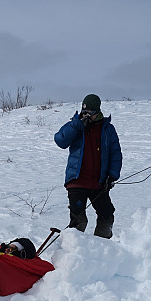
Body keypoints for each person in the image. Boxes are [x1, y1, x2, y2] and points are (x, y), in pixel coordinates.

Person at [54, 94, 123, 239]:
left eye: (90, 113)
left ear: (98, 112)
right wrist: (77, 125)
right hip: (76, 181)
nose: (86, 116)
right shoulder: (75, 125)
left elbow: (115, 153)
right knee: (79, 220)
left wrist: (112, 175)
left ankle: (100, 249)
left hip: (99, 183)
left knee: (107, 215)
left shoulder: (107, 129)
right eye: (84, 112)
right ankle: (72, 250)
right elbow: (60, 140)